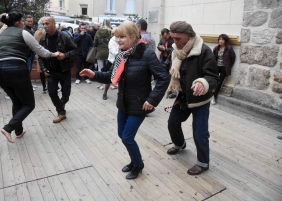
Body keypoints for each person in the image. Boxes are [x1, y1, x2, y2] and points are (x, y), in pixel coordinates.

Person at [80, 21, 169, 179]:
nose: (118, 40)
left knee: (127, 137)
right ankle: (134, 160)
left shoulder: (147, 54)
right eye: (117, 37)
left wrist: (152, 100)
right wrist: (94, 75)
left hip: (139, 105)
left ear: (133, 37)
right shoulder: (122, 54)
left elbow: (163, 78)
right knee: (123, 135)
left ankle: (138, 164)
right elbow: (110, 76)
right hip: (123, 104)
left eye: (122, 37)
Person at [0, 12, 60, 143]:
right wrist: (53, 54)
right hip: (16, 69)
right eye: (22, 21)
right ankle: (8, 128)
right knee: (29, 104)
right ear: (18, 22)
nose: (24, 23)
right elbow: (39, 49)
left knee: (17, 101)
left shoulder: (1, 34)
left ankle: (18, 131)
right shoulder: (23, 33)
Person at [165, 21, 218, 175]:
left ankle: (203, 163)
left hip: (200, 98)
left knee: (199, 132)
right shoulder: (175, 50)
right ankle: (180, 144)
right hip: (183, 96)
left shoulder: (204, 51)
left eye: (178, 39)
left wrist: (203, 83)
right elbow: (165, 68)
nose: (175, 42)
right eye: (173, 38)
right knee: (172, 123)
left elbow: (213, 77)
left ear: (190, 36)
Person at [38, 17, 79, 123]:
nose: (45, 26)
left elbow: (75, 51)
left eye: (47, 23)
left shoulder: (64, 36)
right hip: (51, 71)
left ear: (54, 24)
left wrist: (65, 55)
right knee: (52, 92)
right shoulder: (43, 39)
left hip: (64, 70)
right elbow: (41, 56)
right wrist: (43, 69)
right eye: (44, 24)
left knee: (66, 94)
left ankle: (62, 103)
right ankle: (61, 112)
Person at [212, 34, 235, 105]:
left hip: (224, 68)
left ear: (225, 41)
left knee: (219, 83)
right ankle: (209, 94)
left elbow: (233, 58)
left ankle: (214, 97)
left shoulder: (229, 48)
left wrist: (228, 66)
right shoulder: (216, 48)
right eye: (220, 39)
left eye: (222, 39)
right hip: (216, 67)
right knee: (213, 80)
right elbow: (213, 58)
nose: (220, 41)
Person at [94, 19, 112, 90]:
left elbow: (95, 43)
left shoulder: (98, 32)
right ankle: (108, 83)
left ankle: (100, 84)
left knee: (100, 69)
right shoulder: (110, 32)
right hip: (108, 52)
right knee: (108, 69)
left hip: (100, 52)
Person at [102, 28, 118, 100]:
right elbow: (113, 51)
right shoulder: (112, 41)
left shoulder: (121, 39)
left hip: (120, 61)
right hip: (112, 61)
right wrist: (122, 54)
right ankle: (105, 92)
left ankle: (120, 93)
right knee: (108, 78)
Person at [34, 17, 47, 93]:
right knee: (47, 69)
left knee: (42, 71)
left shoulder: (36, 32)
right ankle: (48, 87)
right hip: (46, 53)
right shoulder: (45, 32)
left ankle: (44, 87)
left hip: (38, 53)